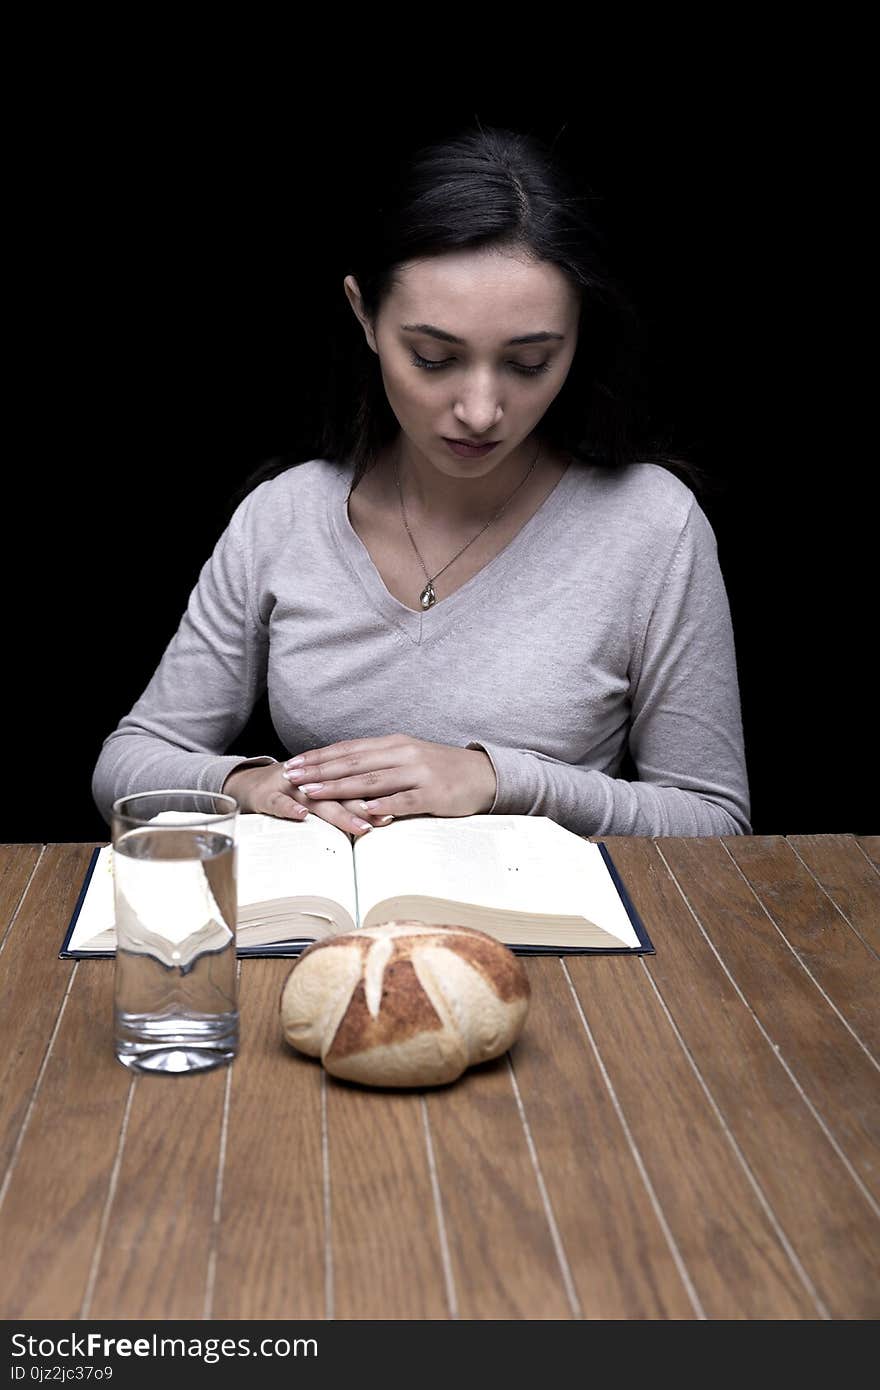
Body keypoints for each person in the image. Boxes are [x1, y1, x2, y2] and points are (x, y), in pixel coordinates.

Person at [92, 123, 751, 839]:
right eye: (434, 358)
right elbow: (128, 763)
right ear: (365, 316)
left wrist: (498, 780)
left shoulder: (651, 525)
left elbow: (712, 820)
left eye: (529, 364)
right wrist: (253, 786)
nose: (479, 411)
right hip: (322, 932)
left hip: (559, 942)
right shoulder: (285, 516)